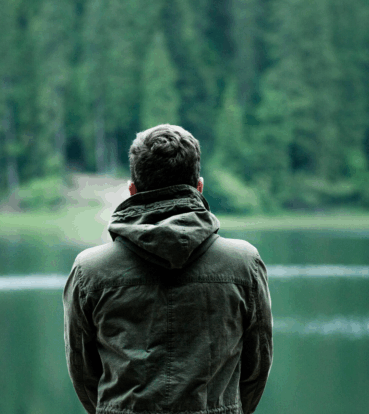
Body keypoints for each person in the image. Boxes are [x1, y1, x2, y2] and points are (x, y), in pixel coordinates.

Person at [63, 124, 273, 414]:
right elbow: (256, 368)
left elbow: (84, 374)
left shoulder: (90, 270)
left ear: (132, 190)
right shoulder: (244, 263)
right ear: (199, 187)